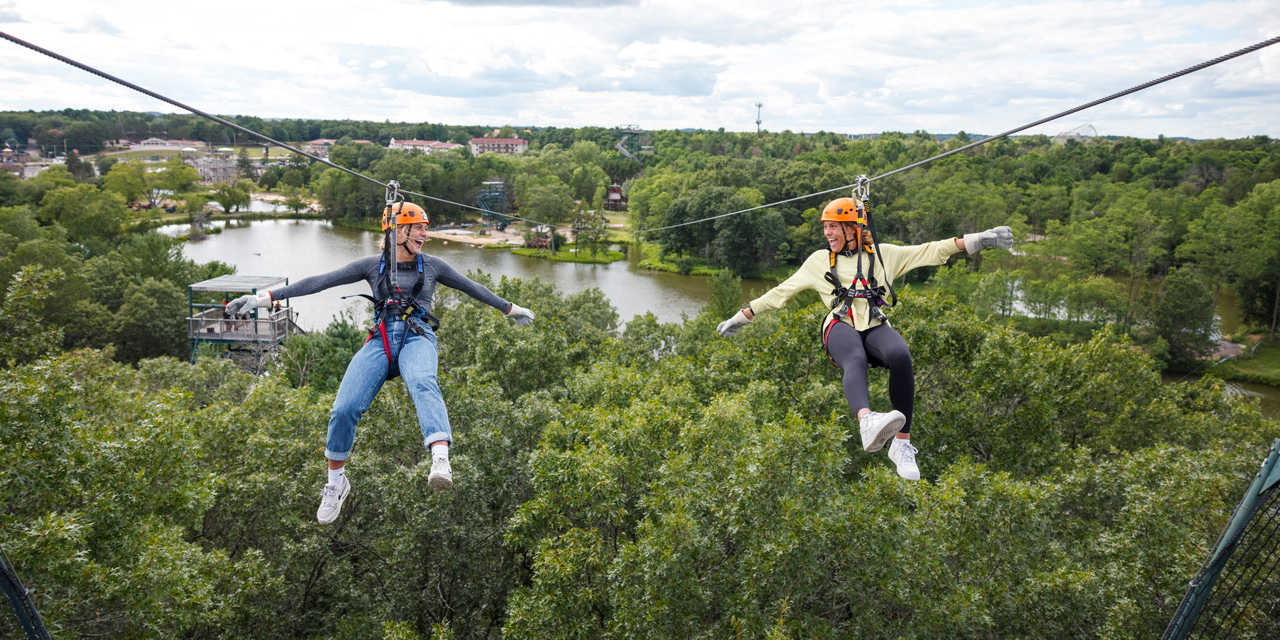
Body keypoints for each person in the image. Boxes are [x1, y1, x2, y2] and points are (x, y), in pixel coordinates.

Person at [225, 202, 536, 523]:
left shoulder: (434, 266)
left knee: (423, 383)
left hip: (418, 335)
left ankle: (440, 460)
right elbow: (319, 281)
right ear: (399, 231)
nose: (425, 234)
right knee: (343, 408)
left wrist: (510, 309)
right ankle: (335, 484)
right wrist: (263, 298)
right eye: (419, 228)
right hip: (382, 339)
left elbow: (474, 288)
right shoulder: (372, 266)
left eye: (425, 228)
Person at [715, 197, 1011, 481]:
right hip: (838, 327)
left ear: (851, 228)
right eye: (825, 226)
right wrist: (742, 316)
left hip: (873, 325)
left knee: (900, 355)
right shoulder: (819, 261)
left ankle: (902, 445)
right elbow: (781, 292)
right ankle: (866, 420)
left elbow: (929, 250)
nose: (826, 232)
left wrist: (975, 240)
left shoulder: (883, 256)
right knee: (854, 357)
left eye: (832, 226)